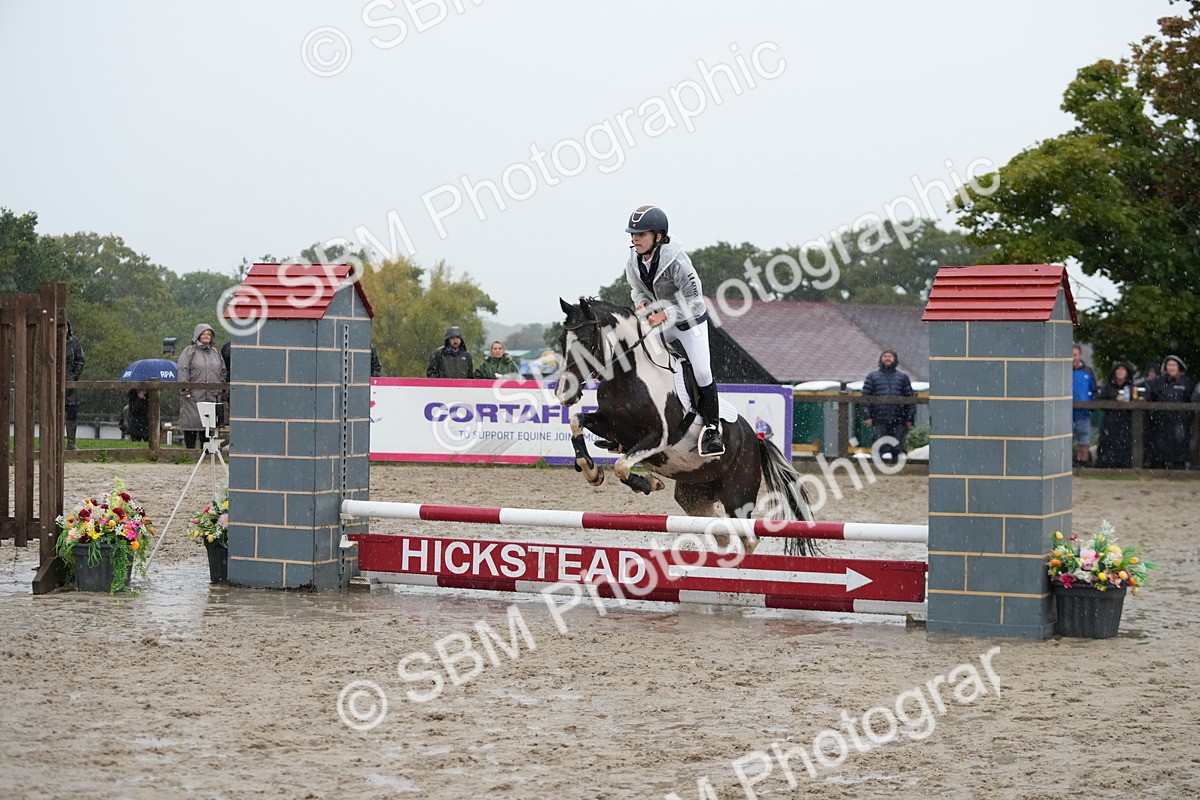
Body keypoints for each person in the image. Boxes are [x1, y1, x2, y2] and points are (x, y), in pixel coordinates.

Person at [624, 204, 724, 457]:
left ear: (658, 236)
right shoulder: (634, 261)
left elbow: (695, 301)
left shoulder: (677, 261)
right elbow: (636, 289)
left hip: (690, 323)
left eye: (641, 234)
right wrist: (641, 303)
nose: (635, 239)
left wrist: (666, 314)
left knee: (702, 371)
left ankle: (713, 429)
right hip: (662, 321)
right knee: (639, 359)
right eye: (633, 234)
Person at [177, 323, 227, 449]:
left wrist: (221, 390)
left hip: (212, 396)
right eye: (203, 334)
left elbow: (223, 371)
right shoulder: (189, 352)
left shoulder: (216, 353)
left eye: (209, 334)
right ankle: (189, 453)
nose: (206, 336)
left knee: (208, 426)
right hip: (193, 396)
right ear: (198, 336)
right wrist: (185, 390)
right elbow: (183, 370)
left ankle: (206, 454)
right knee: (191, 425)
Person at [860, 349, 916, 462]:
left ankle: (899, 471)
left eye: (890, 356)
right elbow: (865, 398)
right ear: (881, 359)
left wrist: (910, 417)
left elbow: (910, 399)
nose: (887, 358)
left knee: (898, 445)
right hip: (879, 417)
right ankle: (878, 470)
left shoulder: (903, 377)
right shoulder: (872, 377)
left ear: (894, 359)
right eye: (885, 356)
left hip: (899, 417)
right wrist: (867, 416)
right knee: (880, 444)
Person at [1146, 355, 1194, 469]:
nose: (1171, 367)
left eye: (1173, 365)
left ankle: (1179, 471)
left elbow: (1191, 399)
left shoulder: (1187, 383)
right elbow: (1150, 395)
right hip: (1161, 422)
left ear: (1179, 367)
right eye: (1169, 365)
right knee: (1159, 451)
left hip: (1180, 423)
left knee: (1179, 451)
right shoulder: (1159, 382)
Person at [1095, 361, 1134, 468]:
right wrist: (1114, 400)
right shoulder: (1108, 387)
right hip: (1110, 421)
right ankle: (1105, 465)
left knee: (1125, 444)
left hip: (1126, 421)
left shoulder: (1131, 388)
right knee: (1107, 444)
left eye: (1123, 370)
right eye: (1118, 370)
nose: (1120, 372)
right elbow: (1100, 401)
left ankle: (1125, 466)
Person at [1071, 344, 1097, 466]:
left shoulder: (1088, 371)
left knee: (1084, 442)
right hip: (1065, 413)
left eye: (1075, 355)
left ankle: (1083, 466)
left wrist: (1090, 406)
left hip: (1083, 413)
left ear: (1079, 355)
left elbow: (1094, 390)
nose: (1072, 358)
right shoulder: (1062, 370)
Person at [64, 319, 85, 450]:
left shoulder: (74, 342)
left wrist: (74, 376)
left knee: (72, 410)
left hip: (70, 381)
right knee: (54, 411)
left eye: (66, 326)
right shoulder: (52, 339)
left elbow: (80, 360)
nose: (65, 329)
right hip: (55, 381)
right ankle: (54, 440)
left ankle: (71, 442)